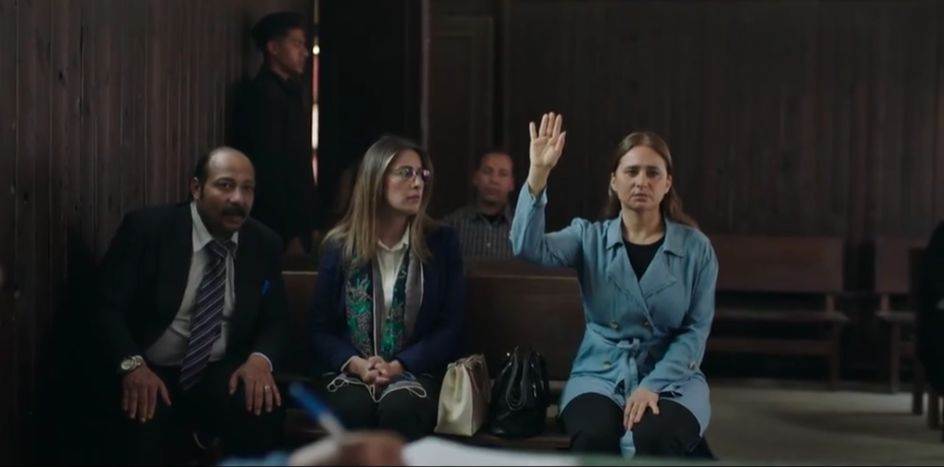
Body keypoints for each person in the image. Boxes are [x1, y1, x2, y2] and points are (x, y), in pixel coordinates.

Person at [510, 113, 716, 457]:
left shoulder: (696, 248)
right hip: (600, 373)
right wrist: (539, 173)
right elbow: (526, 247)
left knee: (657, 435)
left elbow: (696, 331)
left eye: (653, 173)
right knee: (594, 437)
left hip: (672, 376)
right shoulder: (588, 237)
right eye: (631, 171)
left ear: (667, 183)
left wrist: (651, 385)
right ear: (614, 181)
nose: (641, 181)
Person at [97, 147, 289, 464]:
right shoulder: (148, 230)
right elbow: (105, 307)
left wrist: (259, 361)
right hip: (150, 365)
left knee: (260, 403)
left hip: (220, 368)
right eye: (225, 185)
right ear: (196, 188)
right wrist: (132, 365)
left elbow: (276, 319)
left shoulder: (263, 242)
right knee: (141, 413)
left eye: (247, 189)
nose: (238, 199)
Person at [309, 135, 465, 441]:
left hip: (417, 369)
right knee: (353, 407)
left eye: (421, 174)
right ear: (376, 180)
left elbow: (451, 326)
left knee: (401, 408)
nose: (417, 183)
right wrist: (357, 365)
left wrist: (398, 366)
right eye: (405, 173)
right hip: (351, 369)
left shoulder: (441, 242)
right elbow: (319, 328)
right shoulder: (340, 246)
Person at [234, 11, 319, 254]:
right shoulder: (263, 95)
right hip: (276, 225)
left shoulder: (290, 92)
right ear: (273, 48)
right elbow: (269, 169)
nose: (304, 53)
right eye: (297, 44)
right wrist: (290, 232)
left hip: (295, 223)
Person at [444, 150, 516, 261]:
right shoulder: (452, 225)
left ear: (511, 184)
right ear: (476, 178)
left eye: (503, 174)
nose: (494, 180)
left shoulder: (523, 228)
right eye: (487, 172)